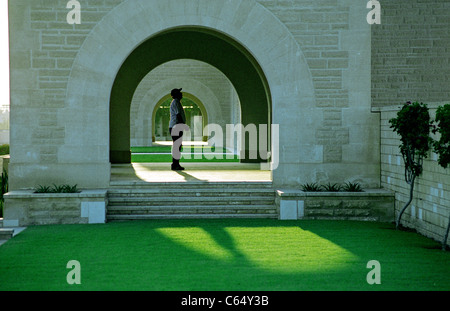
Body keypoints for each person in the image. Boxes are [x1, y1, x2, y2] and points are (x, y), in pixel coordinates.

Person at [169, 88, 188, 171]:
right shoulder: (176, 102)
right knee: (177, 146)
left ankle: (175, 164)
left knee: (177, 146)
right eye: (179, 93)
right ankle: (175, 164)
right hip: (176, 126)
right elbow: (178, 115)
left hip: (175, 126)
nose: (181, 94)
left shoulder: (176, 102)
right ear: (176, 94)